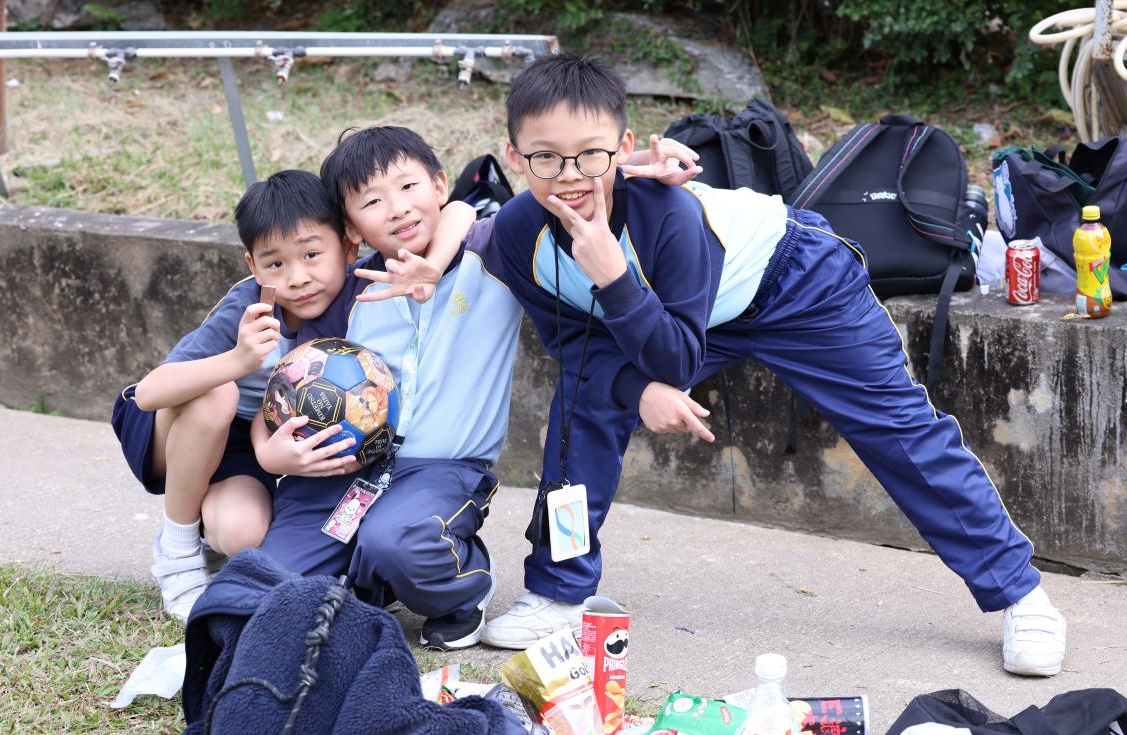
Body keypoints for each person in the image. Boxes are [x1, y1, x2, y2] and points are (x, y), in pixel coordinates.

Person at [478, 53, 1067, 678]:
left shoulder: (669, 215)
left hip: (796, 282)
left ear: (623, 149)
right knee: (582, 409)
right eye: (546, 157)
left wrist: (615, 278)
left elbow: (677, 358)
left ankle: (1019, 593)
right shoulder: (518, 235)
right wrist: (635, 387)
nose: (570, 175)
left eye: (590, 155)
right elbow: (570, 343)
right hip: (680, 320)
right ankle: (559, 591)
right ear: (514, 156)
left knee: (898, 429)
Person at [254, 126, 523, 650]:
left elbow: (478, 210)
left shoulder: (491, 256)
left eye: (408, 187)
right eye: (372, 201)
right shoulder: (348, 293)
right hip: (345, 467)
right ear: (350, 228)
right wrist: (271, 452)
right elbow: (285, 391)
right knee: (271, 588)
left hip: (441, 470)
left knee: (397, 540)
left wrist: (436, 263)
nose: (397, 209)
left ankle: (463, 587)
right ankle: (367, 580)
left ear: (439, 185)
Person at [110, 170, 359, 621]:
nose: (298, 278)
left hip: (250, 443)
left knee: (244, 534)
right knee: (217, 394)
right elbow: (148, 393)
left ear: (348, 245)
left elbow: (459, 218)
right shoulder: (249, 307)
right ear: (253, 266)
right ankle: (177, 552)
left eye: (311, 254)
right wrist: (240, 359)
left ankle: (208, 529)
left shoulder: (363, 289)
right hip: (176, 424)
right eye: (275, 264)